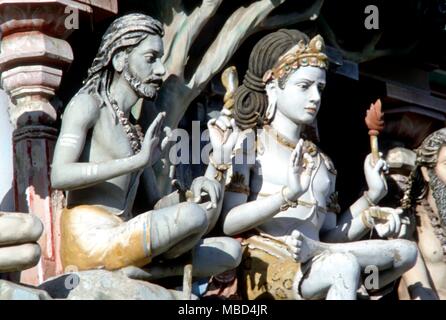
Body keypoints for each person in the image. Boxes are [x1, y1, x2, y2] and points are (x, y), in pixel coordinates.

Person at [210, 29, 417, 300]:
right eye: (304, 86)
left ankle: (314, 251)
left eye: (319, 88)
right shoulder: (250, 144)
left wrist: (371, 199)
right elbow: (229, 223)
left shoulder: (323, 163)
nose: (315, 98)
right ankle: (317, 255)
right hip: (266, 261)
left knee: (406, 252)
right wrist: (287, 195)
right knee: (342, 264)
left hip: (317, 258)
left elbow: (331, 235)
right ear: (273, 86)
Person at [51, 13, 241, 281]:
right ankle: (152, 272)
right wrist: (136, 162)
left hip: (125, 231)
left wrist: (193, 192)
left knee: (230, 251)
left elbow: (156, 204)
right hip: (89, 235)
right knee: (192, 218)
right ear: (120, 59)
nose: (161, 71)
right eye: (150, 59)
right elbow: (59, 175)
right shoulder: (87, 105)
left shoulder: (134, 128)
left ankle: (146, 272)